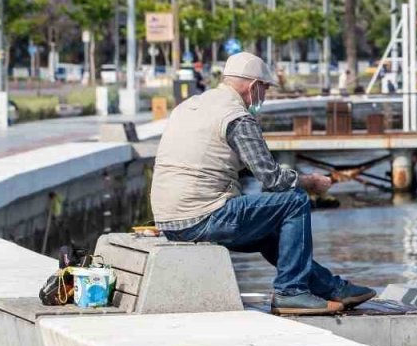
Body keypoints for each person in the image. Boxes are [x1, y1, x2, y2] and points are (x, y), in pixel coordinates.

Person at [151, 52, 375, 316]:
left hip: (169, 220)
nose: (266, 96)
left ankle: (331, 288)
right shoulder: (237, 117)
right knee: (294, 201)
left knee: (270, 230)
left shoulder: (190, 106)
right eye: (266, 89)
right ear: (254, 86)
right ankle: (291, 293)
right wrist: (310, 182)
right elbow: (272, 178)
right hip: (201, 218)